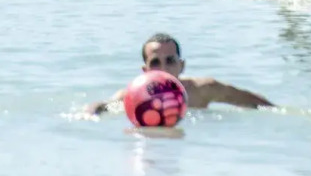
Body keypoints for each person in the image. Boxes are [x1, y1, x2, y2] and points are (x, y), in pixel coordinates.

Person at [85, 34, 273, 115]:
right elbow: (100, 106)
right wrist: (89, 114)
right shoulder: (133, 96)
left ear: (181, 66)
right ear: (145, 71)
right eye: (156, 62)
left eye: (171, 61)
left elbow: (255, 102)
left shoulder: (201, 90)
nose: (164, 69)